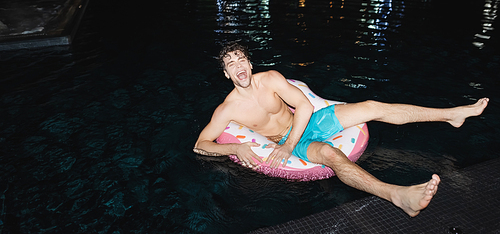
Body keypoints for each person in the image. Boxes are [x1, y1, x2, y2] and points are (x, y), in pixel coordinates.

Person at [194, 42, 489, 217]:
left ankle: (452, 114)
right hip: (290, 142)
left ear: (249, 62)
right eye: (231, 63)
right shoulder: (228, 109)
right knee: (333, 156)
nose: (238, 65)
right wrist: (236, 147)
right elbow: (200, 144)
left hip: (306, 124)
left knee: (373, 106)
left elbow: (305, 107)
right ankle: (397, 195)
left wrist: (289, 142)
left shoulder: (270, 78)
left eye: (241, 59)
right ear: (226, 73)